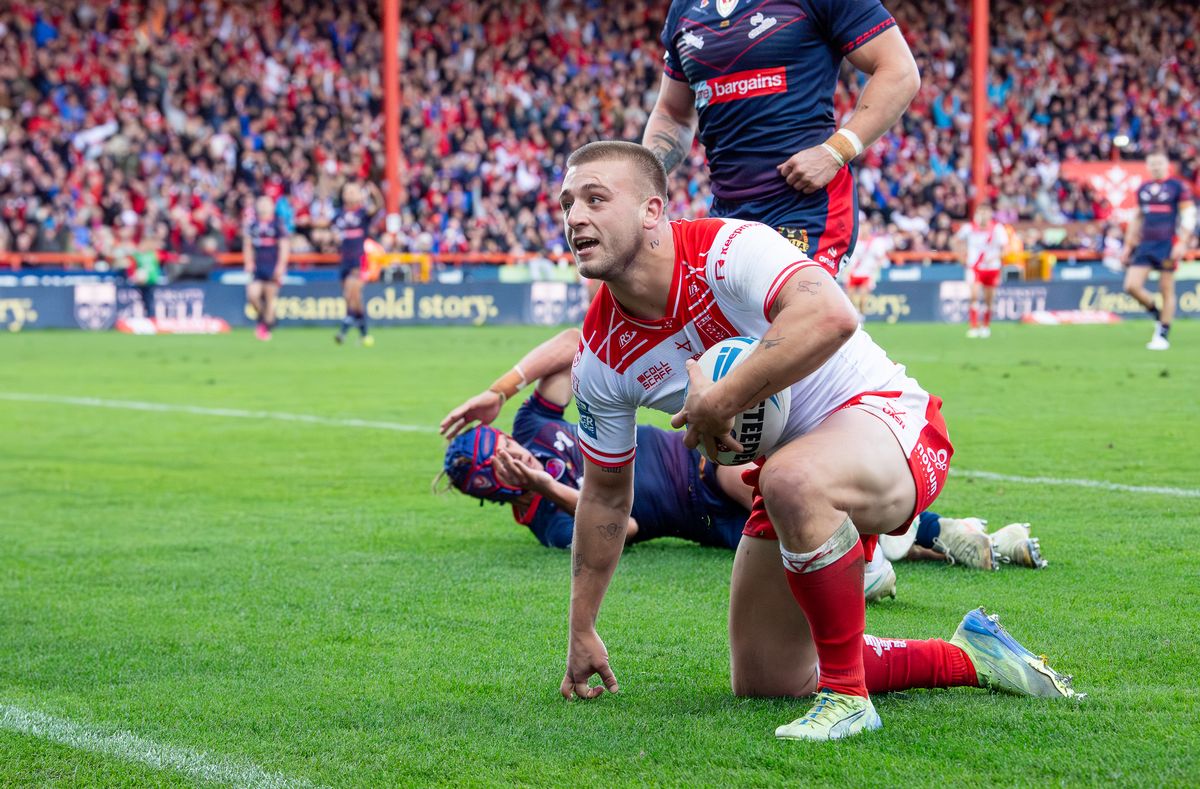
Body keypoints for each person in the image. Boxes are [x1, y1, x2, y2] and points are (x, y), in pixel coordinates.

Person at [555, 141, 1078, 741]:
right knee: (770, 676)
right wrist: (581, 625)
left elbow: (832, 315)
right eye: (568, 204)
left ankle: (848, 700)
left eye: (596, 199)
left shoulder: (728, 248)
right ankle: (969, 656)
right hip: (797, 478)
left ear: (652, 210)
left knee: (789, 478)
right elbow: (605, 496)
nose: (575, 217)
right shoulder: (599, 358)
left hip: (892, 426)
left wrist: (721, 401)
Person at [643, 0, 920, 273]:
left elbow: (899, 70)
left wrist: (835, 151)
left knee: (787, 297)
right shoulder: (684, 8)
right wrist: (641, 181)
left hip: (805, 207)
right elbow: (672, 114)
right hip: (726, 215)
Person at [1122, 152, 1195, 351]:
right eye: (1152, 164)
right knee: (1131, 286)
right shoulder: (1143, 189)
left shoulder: (1177, 187)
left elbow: (1189, 215)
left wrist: (1182, 242)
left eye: (1159, 163)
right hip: (1146, 245)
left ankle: (1162, 333)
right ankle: (1157, 313)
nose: (1156, 167)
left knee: (1166, 289)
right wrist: (1128, 244)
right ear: (1147, 166)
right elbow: (1137, 216)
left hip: (1168, 246)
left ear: (1166, 165)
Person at [333, 182, 382, 346]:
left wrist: (375, 193)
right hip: (345, 260)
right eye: (347, 191)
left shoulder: (362, 213)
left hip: (359, 259)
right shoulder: (339, 215)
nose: (349, 194)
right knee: (353, 299)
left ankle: (343, 331)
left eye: (353, 191)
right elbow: (333, 231)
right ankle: (364, 334)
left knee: (351, 294)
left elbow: (378, 207)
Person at [954, 204, 1009, 338]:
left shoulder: (997, 229)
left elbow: (1006, 249)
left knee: (988, 299)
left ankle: (985, 326)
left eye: (986, 212)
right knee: (974, 296)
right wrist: (961, 257)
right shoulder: (969, 228)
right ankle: (973, 326)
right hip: (975, 267)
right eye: (980, 212)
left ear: (990, 214)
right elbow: (956, 240)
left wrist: (994, 257)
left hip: (992, 268)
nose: (983, 215)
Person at [244, 195, 289, 341]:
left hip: (272, 266)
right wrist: (248, 261)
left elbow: (284, 246)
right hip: (258, 267)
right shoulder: (253, 225)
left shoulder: (277, 224)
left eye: (266, 204)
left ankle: (265, 330)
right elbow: (248, 244)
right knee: (252, 295)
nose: (263, 207)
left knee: (270, 299)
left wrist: (281, 266)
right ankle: (265, 319)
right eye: (261, 203)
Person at [841, 213, 892, 321]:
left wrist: (876, 268)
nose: (864, 230)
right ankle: (854, 318)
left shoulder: (875, 243)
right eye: (863, 228)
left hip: (867, 274)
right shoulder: (855, 242)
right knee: (849, 299)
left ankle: (861, 317)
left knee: (863, 299)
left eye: (866, 228)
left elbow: (881, 258)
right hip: (853, 273)